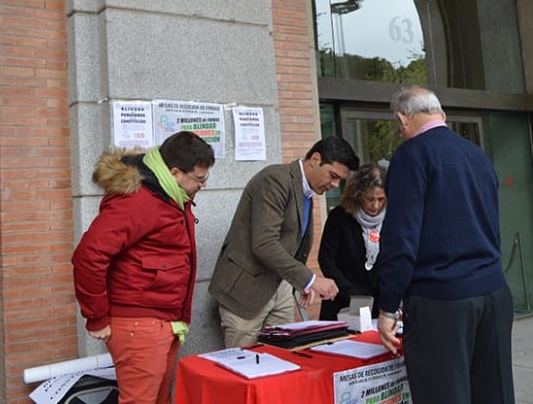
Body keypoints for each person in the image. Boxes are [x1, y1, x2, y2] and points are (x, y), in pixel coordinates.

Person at [375, 86, 515, 404]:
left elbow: (401, 238)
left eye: (399, 126)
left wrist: (388, 305)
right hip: (493, 292)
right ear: (442, 114)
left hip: (442, 299)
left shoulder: (411, 155)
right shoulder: (476, 154)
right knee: (495, 394)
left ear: (402, 118)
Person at [72, 131, 215, 404]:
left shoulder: (169, 195)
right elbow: (88, 255)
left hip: (163, 320)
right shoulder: (139, 201)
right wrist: (97, 317)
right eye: (199, 179)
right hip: (139, 324)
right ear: (174, 172)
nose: (203, 185)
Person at [209, 136, 360, 347]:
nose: (335, 185)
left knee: (282, 360)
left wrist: (300, 282)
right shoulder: (275, 179)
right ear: (315, 159)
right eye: (333, 176)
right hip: (246, 290)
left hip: (280, 287)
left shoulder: (306, 190)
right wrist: (310, 280)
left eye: (339, 181)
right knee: (242, 366)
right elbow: (264, 243)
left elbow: (289, 242)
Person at [317, 163, 386, 320]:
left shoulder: (393, 219)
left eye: (381, 199)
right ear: (358, 194)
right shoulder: (339, 217)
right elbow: (326, 260)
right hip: (343, 305)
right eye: (370, 199)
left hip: (380, 306)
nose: (375, 205)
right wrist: (353, 296)